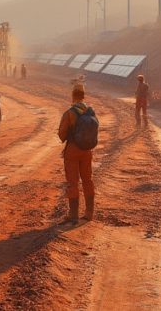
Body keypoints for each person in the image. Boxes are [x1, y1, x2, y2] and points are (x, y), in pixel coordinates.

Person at [56, 86, 95, 224]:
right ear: (83, 96)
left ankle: (73, 215)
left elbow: (62, 134)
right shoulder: (90, 111)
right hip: (87, 150)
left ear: (73, 97)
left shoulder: (69, 113)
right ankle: (89, 213)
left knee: (73, 181)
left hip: (72, 150)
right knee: (87, 179)